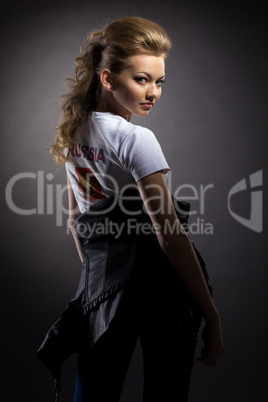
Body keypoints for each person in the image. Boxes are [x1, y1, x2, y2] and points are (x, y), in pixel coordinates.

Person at [48, 16, 224, 402]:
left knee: (92, 392)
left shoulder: (75, 128)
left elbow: (77, 216)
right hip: (161, 288)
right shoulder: (135, 138)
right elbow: (169, 234)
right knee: (166, 393)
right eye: (141, 79)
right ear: (108, 79)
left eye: (159, 81)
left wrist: (99, 276)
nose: (153, 92)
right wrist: (211, 314)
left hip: (103, 284)